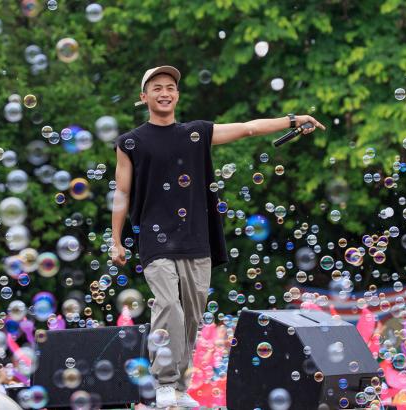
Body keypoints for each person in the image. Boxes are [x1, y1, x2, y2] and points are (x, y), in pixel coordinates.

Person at [111, 65, 325, 409]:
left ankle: (179, 388)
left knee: (192, 317)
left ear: (177, 95)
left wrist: (292, 120)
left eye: (170, 87)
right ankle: (164, 382)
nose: (164, 93)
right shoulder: (130, 142)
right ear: (144, 96)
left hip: (196, 238)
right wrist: (116, 239)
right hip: (154, 239)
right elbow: (122, 193)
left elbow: (248, 128)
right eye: (157, 87)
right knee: (168, 306)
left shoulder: (195, 133)